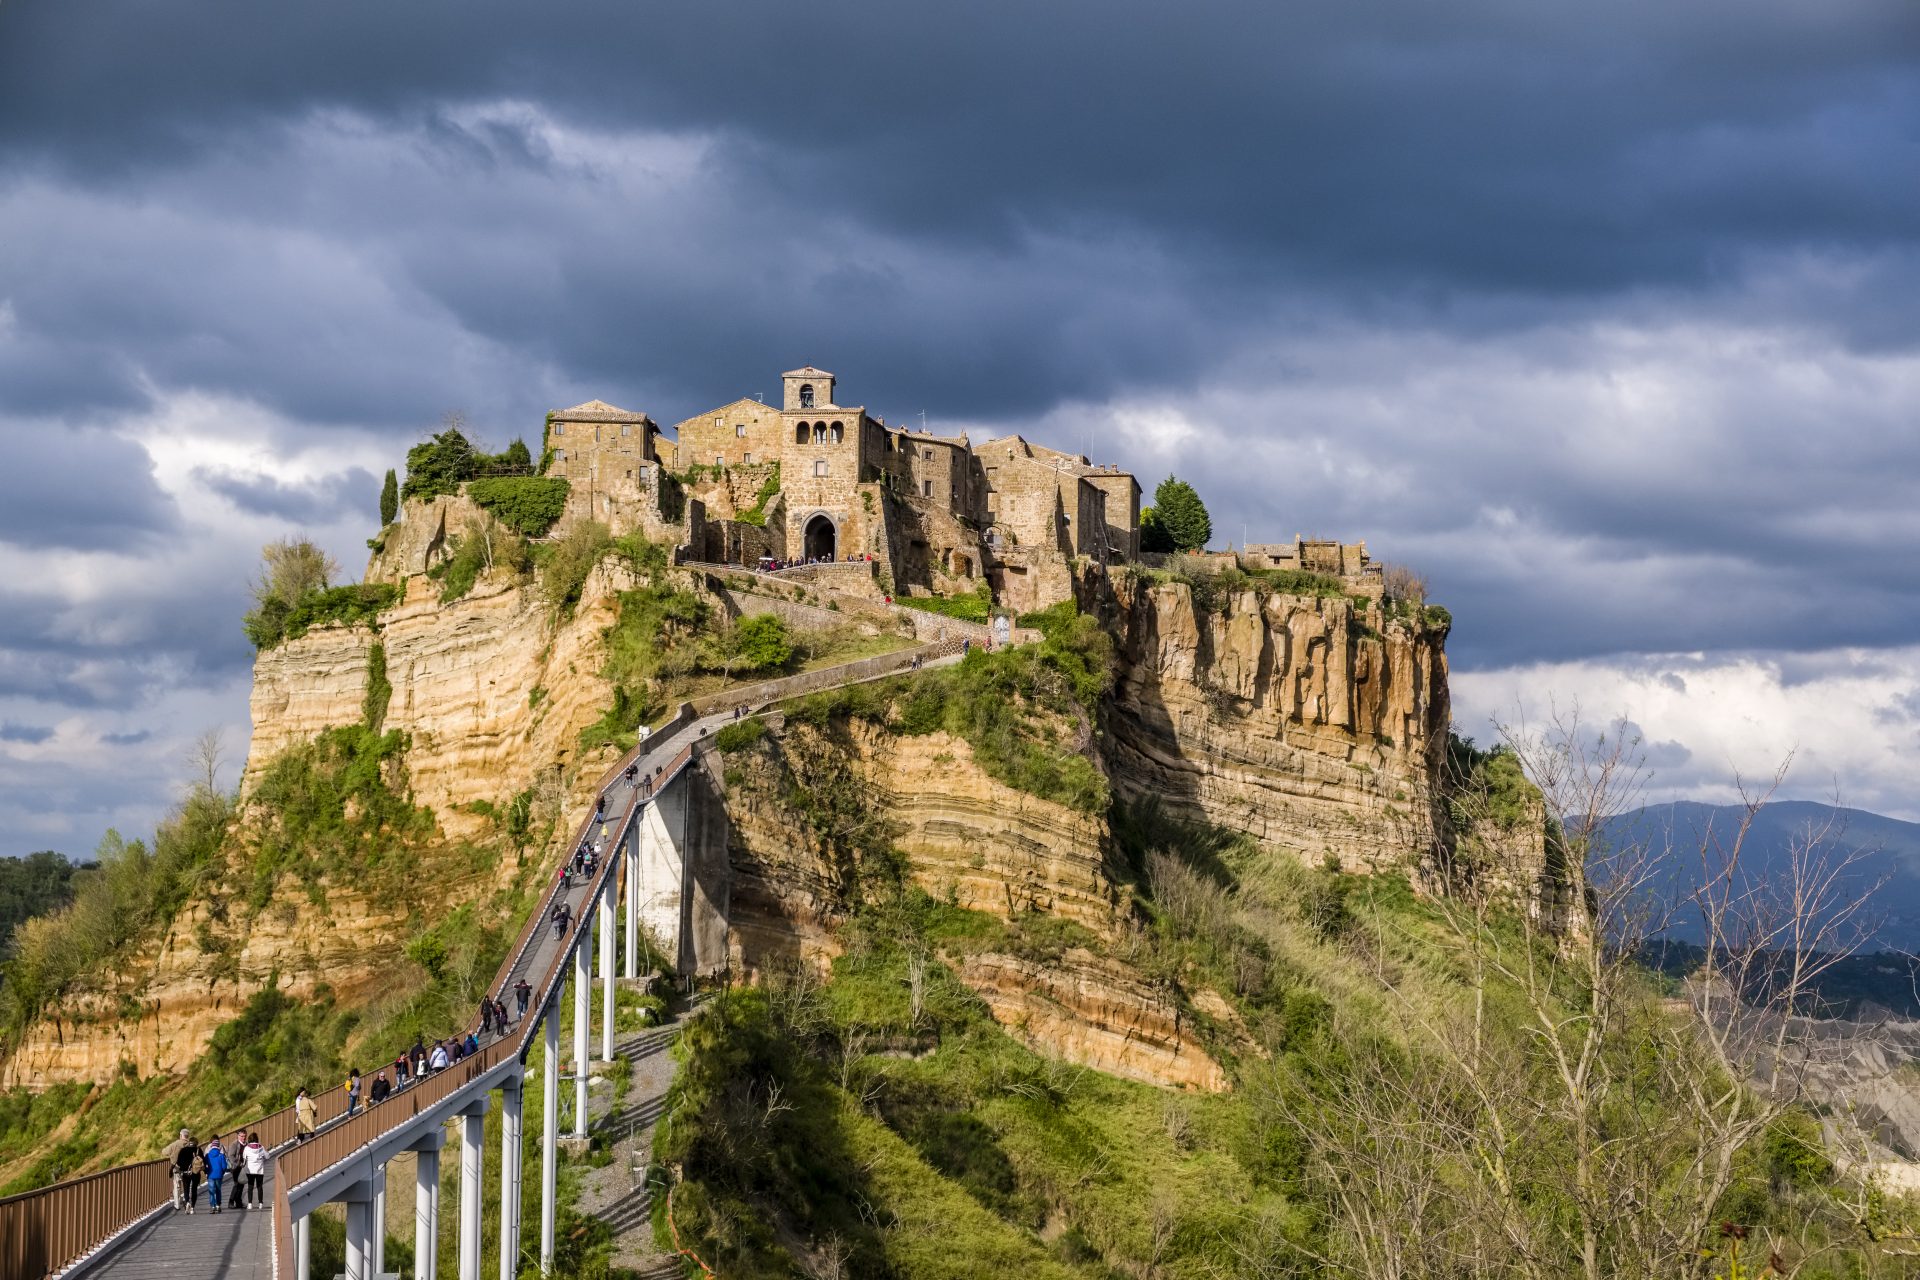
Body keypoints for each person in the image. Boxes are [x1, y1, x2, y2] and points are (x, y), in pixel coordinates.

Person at [165, 1128, 192, 1209]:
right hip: (188, 1169)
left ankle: (177, 1205)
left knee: (177, 1186)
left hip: (176, 1168)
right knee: (187, 1185)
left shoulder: (175, 1144)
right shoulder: (191, 1145)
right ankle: (186, 1199)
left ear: (181, 1135)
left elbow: (165, 1152)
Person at [175, 1136, 201, 1213]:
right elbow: (203, 1161)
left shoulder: (183, 1150)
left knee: (186, 1189)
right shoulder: (198, 1150)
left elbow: (178, 1162)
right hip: (195, 1173)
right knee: (194, 1189)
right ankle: (192, 1207)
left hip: (185, 1173)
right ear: (196, 1143)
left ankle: (187, 1202)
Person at [204, 1134, 228, 1214]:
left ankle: (212, 1206)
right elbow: (224, 1166)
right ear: (218, 1146)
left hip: (210, 1175)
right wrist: (222, 1172)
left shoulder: (207, 1155)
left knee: (211, 1191)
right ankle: (218, 1205)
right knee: (218, 1190)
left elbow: (205, 1166)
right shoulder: (221, 1155)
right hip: (219, 1175)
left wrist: (207, 1172)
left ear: (211, 1146)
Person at [243, 1133, 267, 1208]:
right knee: (259, 1187)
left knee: (250, 1187)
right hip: (260, 1170)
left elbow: (244, 1158)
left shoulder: (247, 1148)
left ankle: (250, 1204)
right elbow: (267, 1156)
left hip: (250, 1170)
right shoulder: (261, 1147)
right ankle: (260, 1204)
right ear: (257, 1139)